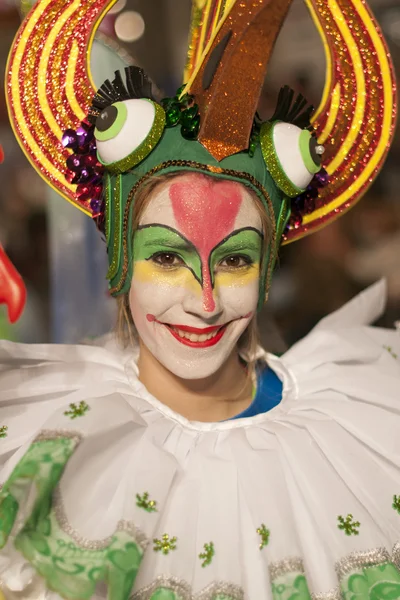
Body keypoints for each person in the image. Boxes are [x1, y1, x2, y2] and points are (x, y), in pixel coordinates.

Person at [0, 0, 399, 598]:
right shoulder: (48, 439)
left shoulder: (368, 416)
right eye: (166, 257)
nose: (204, 302)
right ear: (119, 262)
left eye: (235, 260)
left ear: (266, 267)